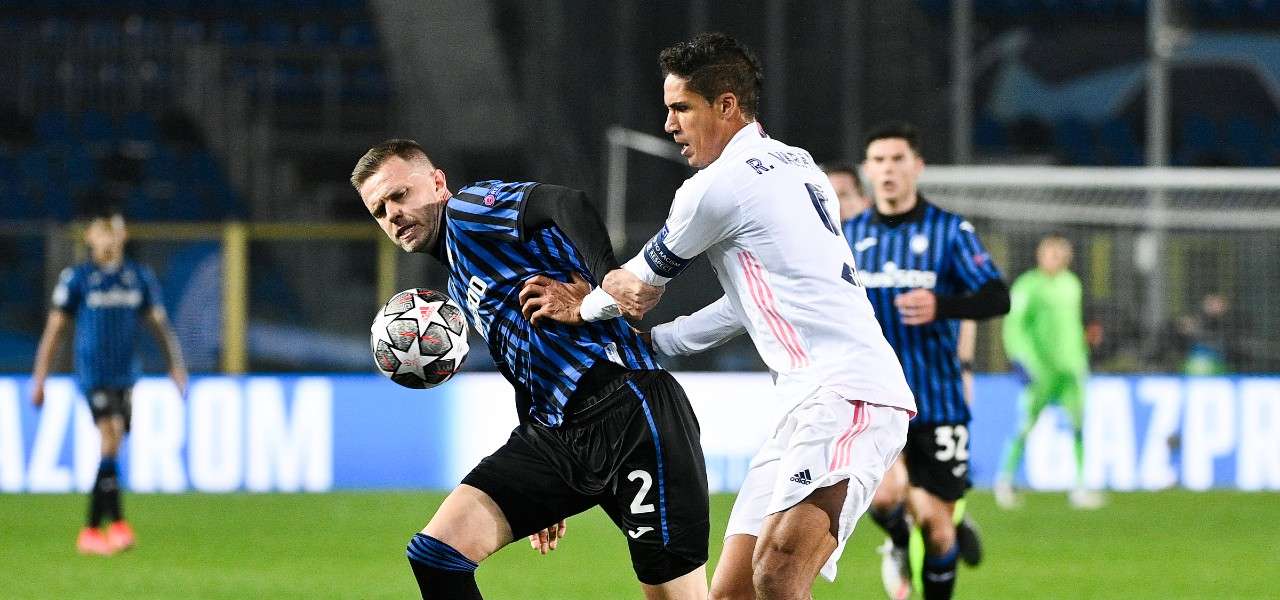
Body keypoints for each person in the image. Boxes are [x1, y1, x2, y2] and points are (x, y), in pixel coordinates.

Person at [521, 33, 916, 600]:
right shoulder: (800, 165)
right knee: (733, 592)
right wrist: (659, 343)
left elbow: (636, 289)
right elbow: (748, 302)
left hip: (849, 391)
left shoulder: (717, 187)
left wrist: (581, 306)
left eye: (681, 108)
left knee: (778, 572)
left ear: (726, 105)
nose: (669, 125)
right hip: (805, 403)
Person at [350, 139, 710, 600]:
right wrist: (542, 494)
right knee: (436, 554)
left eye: (399, 195)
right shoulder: (459, 280)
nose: (393, 215)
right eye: (379, 211)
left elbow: (563, 203)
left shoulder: (467, 211)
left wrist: (606, 280)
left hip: (629, 408)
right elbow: (524, 367)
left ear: (438, 183)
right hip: (557, 434)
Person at [843, 122, 1010, 600]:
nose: (888, 169)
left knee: (938, 530)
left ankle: (927, 544)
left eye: (898, 159)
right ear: (868, 170)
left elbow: (997, 296)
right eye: (879, 160)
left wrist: (943, 305)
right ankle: (898, 542)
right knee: (883, 496)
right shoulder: (846, 237)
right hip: (875, 400)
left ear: (917, 166)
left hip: (938, 400)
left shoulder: (950, 231)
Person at [30, 208, 188, 556]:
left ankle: (107, 527)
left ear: (123, 236)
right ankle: (100, 529)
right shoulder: (78, 279)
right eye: (101, 232)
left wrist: (175, 366)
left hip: (125, 374)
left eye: (113, 232)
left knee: (113, 447)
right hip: (93, 373)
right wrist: (40, 377)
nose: (108, 239)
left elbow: (159, 325)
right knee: (111, 433)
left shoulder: (138, 277)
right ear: (89, 237)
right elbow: (55, 330)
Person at [996, 234, 1103, 510]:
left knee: (1078, 425)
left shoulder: (1072, 284)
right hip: (1040, 372)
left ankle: (1080, 486)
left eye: (1060, 255)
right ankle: (1005, 481)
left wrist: (1084, 347)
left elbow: (1071, 325)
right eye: (1050, 254)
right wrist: (1019, 359)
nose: (1055, 259)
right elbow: (1014, 326)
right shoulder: (1027, 286)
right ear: (1040, 256)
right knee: (1025, 425)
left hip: (1071, 369)